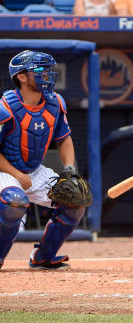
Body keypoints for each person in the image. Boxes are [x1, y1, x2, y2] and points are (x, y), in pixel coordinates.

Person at [0, 51, 87, 270]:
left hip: (34, 171)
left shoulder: (55, 103)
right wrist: (17, 176)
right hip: (5, 171)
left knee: (75, 199)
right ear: (21, 76)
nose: (47, 74)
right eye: (39, 70)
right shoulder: (5, 106)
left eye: (49, 70)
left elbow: (64, 139)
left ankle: (43, 256)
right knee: (14, 201)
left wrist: (68, 170)